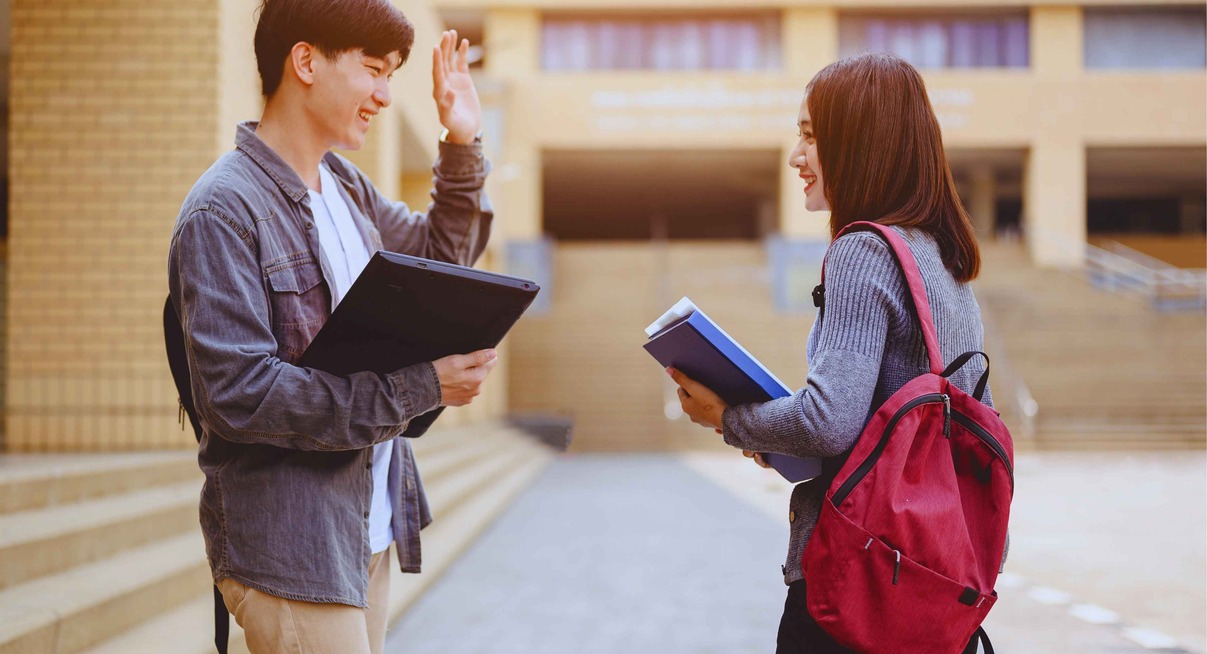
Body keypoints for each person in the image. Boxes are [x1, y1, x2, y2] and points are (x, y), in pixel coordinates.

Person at [167, 1, 495, 652]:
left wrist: (461, 143)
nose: (382, 94)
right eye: (374, 69)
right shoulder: (223, 210)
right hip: (292, 547)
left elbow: (437, 259)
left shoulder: (343, 186)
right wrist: (419, 387)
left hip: (362, 531)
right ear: (306, 61)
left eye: (393, 75)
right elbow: (242, 397)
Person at [668, 52, 997, 653]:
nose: (796, 157)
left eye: (810, 137)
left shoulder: (862, 252)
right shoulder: (945, 264)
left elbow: (828, 419)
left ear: (859, 143)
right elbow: (934, 431)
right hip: (931, 588)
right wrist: (776, 446)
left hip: (856, 589)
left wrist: (728, 418)